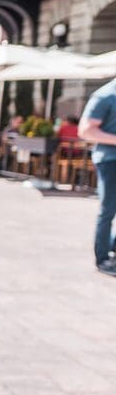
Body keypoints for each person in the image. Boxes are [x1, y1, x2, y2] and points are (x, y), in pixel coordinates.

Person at [78, 79, 116, 276]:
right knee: (108, 210)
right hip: (110, 160)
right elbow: (85, 130)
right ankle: (102, 259)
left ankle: (113, 249)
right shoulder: (105, 95)